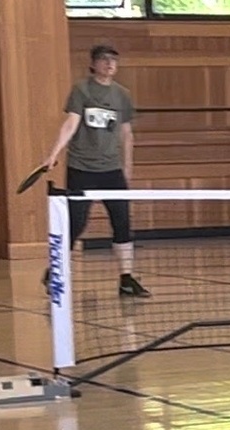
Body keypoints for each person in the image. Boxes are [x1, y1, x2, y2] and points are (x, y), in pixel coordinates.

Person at [41, 43, 149, 298]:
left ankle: (126, 279)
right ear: (93, 64)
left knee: (122, 224)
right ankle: (54, 272)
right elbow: (70, 124)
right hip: (82, 168)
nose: (109, 64)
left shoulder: (122, 94)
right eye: (103, 60)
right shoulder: (81, 90)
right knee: (76, 224)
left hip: (111, 170)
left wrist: (128, 167)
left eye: (113, 60)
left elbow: (126, 133)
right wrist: (53, 154)